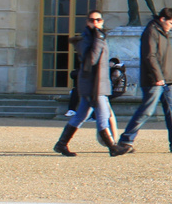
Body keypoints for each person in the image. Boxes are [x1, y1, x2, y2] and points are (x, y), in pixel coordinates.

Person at [115, 8, 172, 155]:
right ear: (162, 19)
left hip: (167, 79)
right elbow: (149, 56)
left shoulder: (162, 32)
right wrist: (158, 77)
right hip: (155, 79)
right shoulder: (151, 31)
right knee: (147, 111)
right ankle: (125, 140)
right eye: (171, 23)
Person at [52, 9, 122, 157]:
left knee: (80, 116)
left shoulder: (98, 38)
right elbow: (91, 60)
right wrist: (98, 39)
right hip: (93, 86)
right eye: (92, 20)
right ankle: (113, 147)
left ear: (102, 21)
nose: (95, 22)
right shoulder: (86, 39)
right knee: (103, 117)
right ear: (87, 22)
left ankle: (61, 144)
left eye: (98, 20)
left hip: (98, 84)